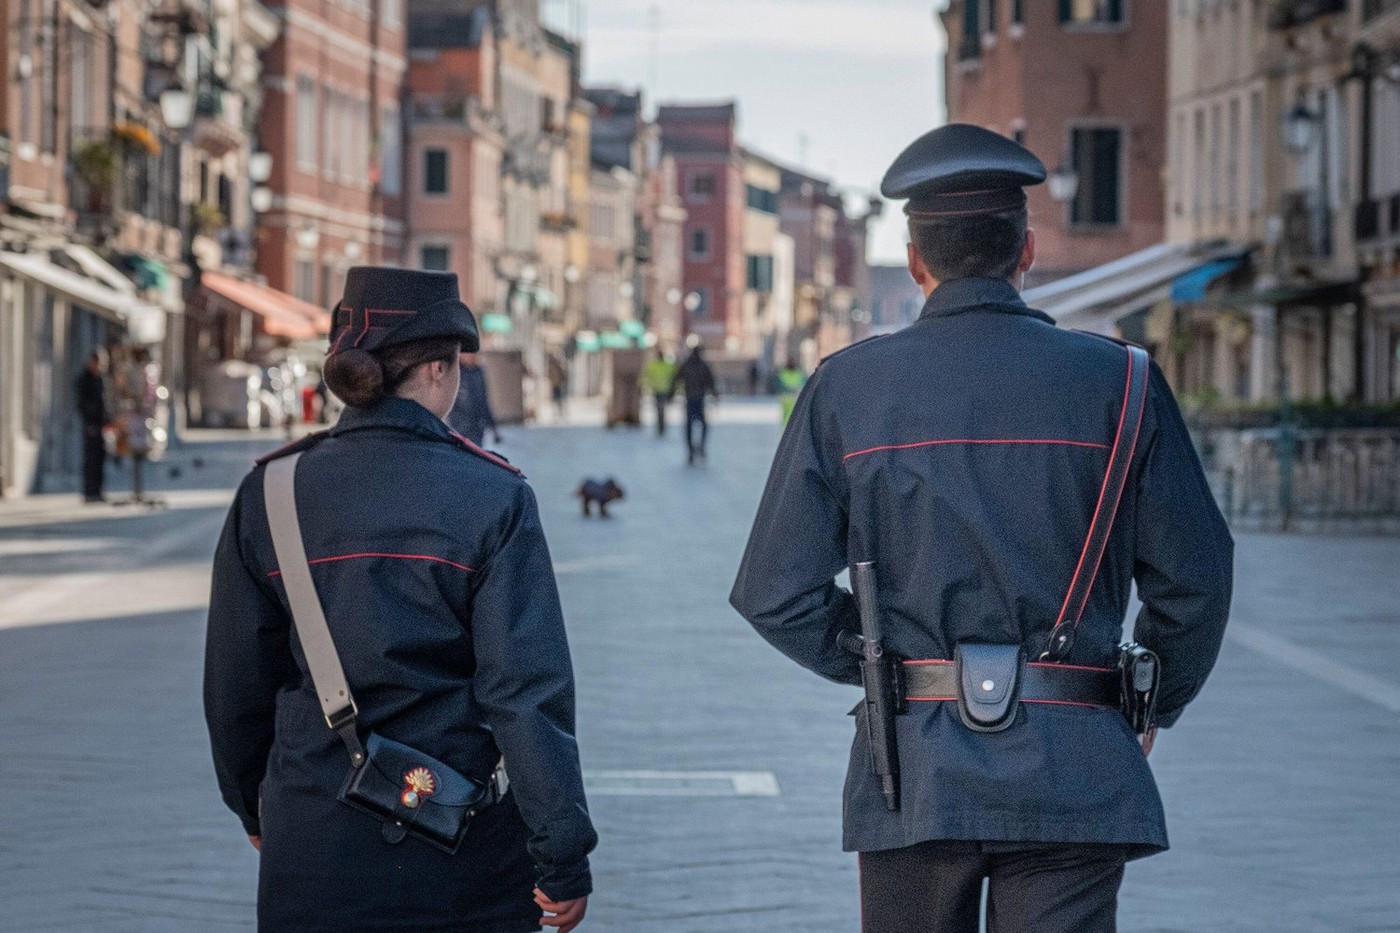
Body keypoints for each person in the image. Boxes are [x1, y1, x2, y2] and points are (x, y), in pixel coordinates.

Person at [730, 124, 1233, 933]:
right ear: (1025, 249)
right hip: (1075, 753)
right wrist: (1147, 703)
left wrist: (884, 669)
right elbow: (1197, 580)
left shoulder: (846, 388)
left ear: (917, 259)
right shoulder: (1124, 381)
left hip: (916, 760)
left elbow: (773, 590)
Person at [205, 267, 596, 933]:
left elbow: (235, 685)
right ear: (441, 371)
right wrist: (562, 852)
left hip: (312, 840)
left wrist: (254, 805)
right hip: (457, 846)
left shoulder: (269, 492)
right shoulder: (493, 495)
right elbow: (525, 695)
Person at [672, 336, 717, 465]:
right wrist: (714, 394)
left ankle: (695, 449)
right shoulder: (698, 365)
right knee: (697, 425)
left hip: (693, 398)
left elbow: (677, 379)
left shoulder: (691, 364)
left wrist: (672, 392)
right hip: (695, 398)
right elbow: (710, 382)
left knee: (693, 426)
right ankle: (696, 449)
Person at [75, 349, 108, 503]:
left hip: (100, 425)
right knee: (90, 459)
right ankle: (89, 492)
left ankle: (98, 491)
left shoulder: (99, 379)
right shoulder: (84, 380)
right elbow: (81, 404)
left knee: (100, 458)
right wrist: (89, 422)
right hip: (90, 425)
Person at [451, 350, 501, 446]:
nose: (471, 356)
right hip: (460, 429)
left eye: (473, 353)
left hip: (477, 428)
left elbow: (484, 400)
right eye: (467, 353)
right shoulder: (455, 372)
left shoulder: (479, 372)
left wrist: (493, 428)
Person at [639, 349, 678, 436]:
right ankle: (661, 427)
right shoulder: (665, 366)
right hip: (661, 391)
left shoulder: (655, 366)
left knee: (660, 410)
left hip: (661, 391)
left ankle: (661, 427)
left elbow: (675, 376)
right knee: (661, 410)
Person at [775, 359, 806, 426]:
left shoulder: (783, 373)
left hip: (786, 398)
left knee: (786, 415)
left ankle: (786, 429)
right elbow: (802, 384)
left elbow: (780, 386)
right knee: (792, 415)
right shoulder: (798, 374)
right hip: (793, 398)